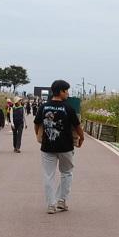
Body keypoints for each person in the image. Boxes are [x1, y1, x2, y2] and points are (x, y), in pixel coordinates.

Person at [35, 79, 84, 214]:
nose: (68, 93)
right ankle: (61, 201)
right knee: (66, 173)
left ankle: (51, 204)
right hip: (65, 147)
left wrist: (38, 136)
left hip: (47, 147)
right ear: (61, 91)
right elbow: (77, 126)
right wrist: (82, 137)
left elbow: (37, 123)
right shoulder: (68, 108)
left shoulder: (43, 107)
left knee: (48, 175)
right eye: (66, 90)